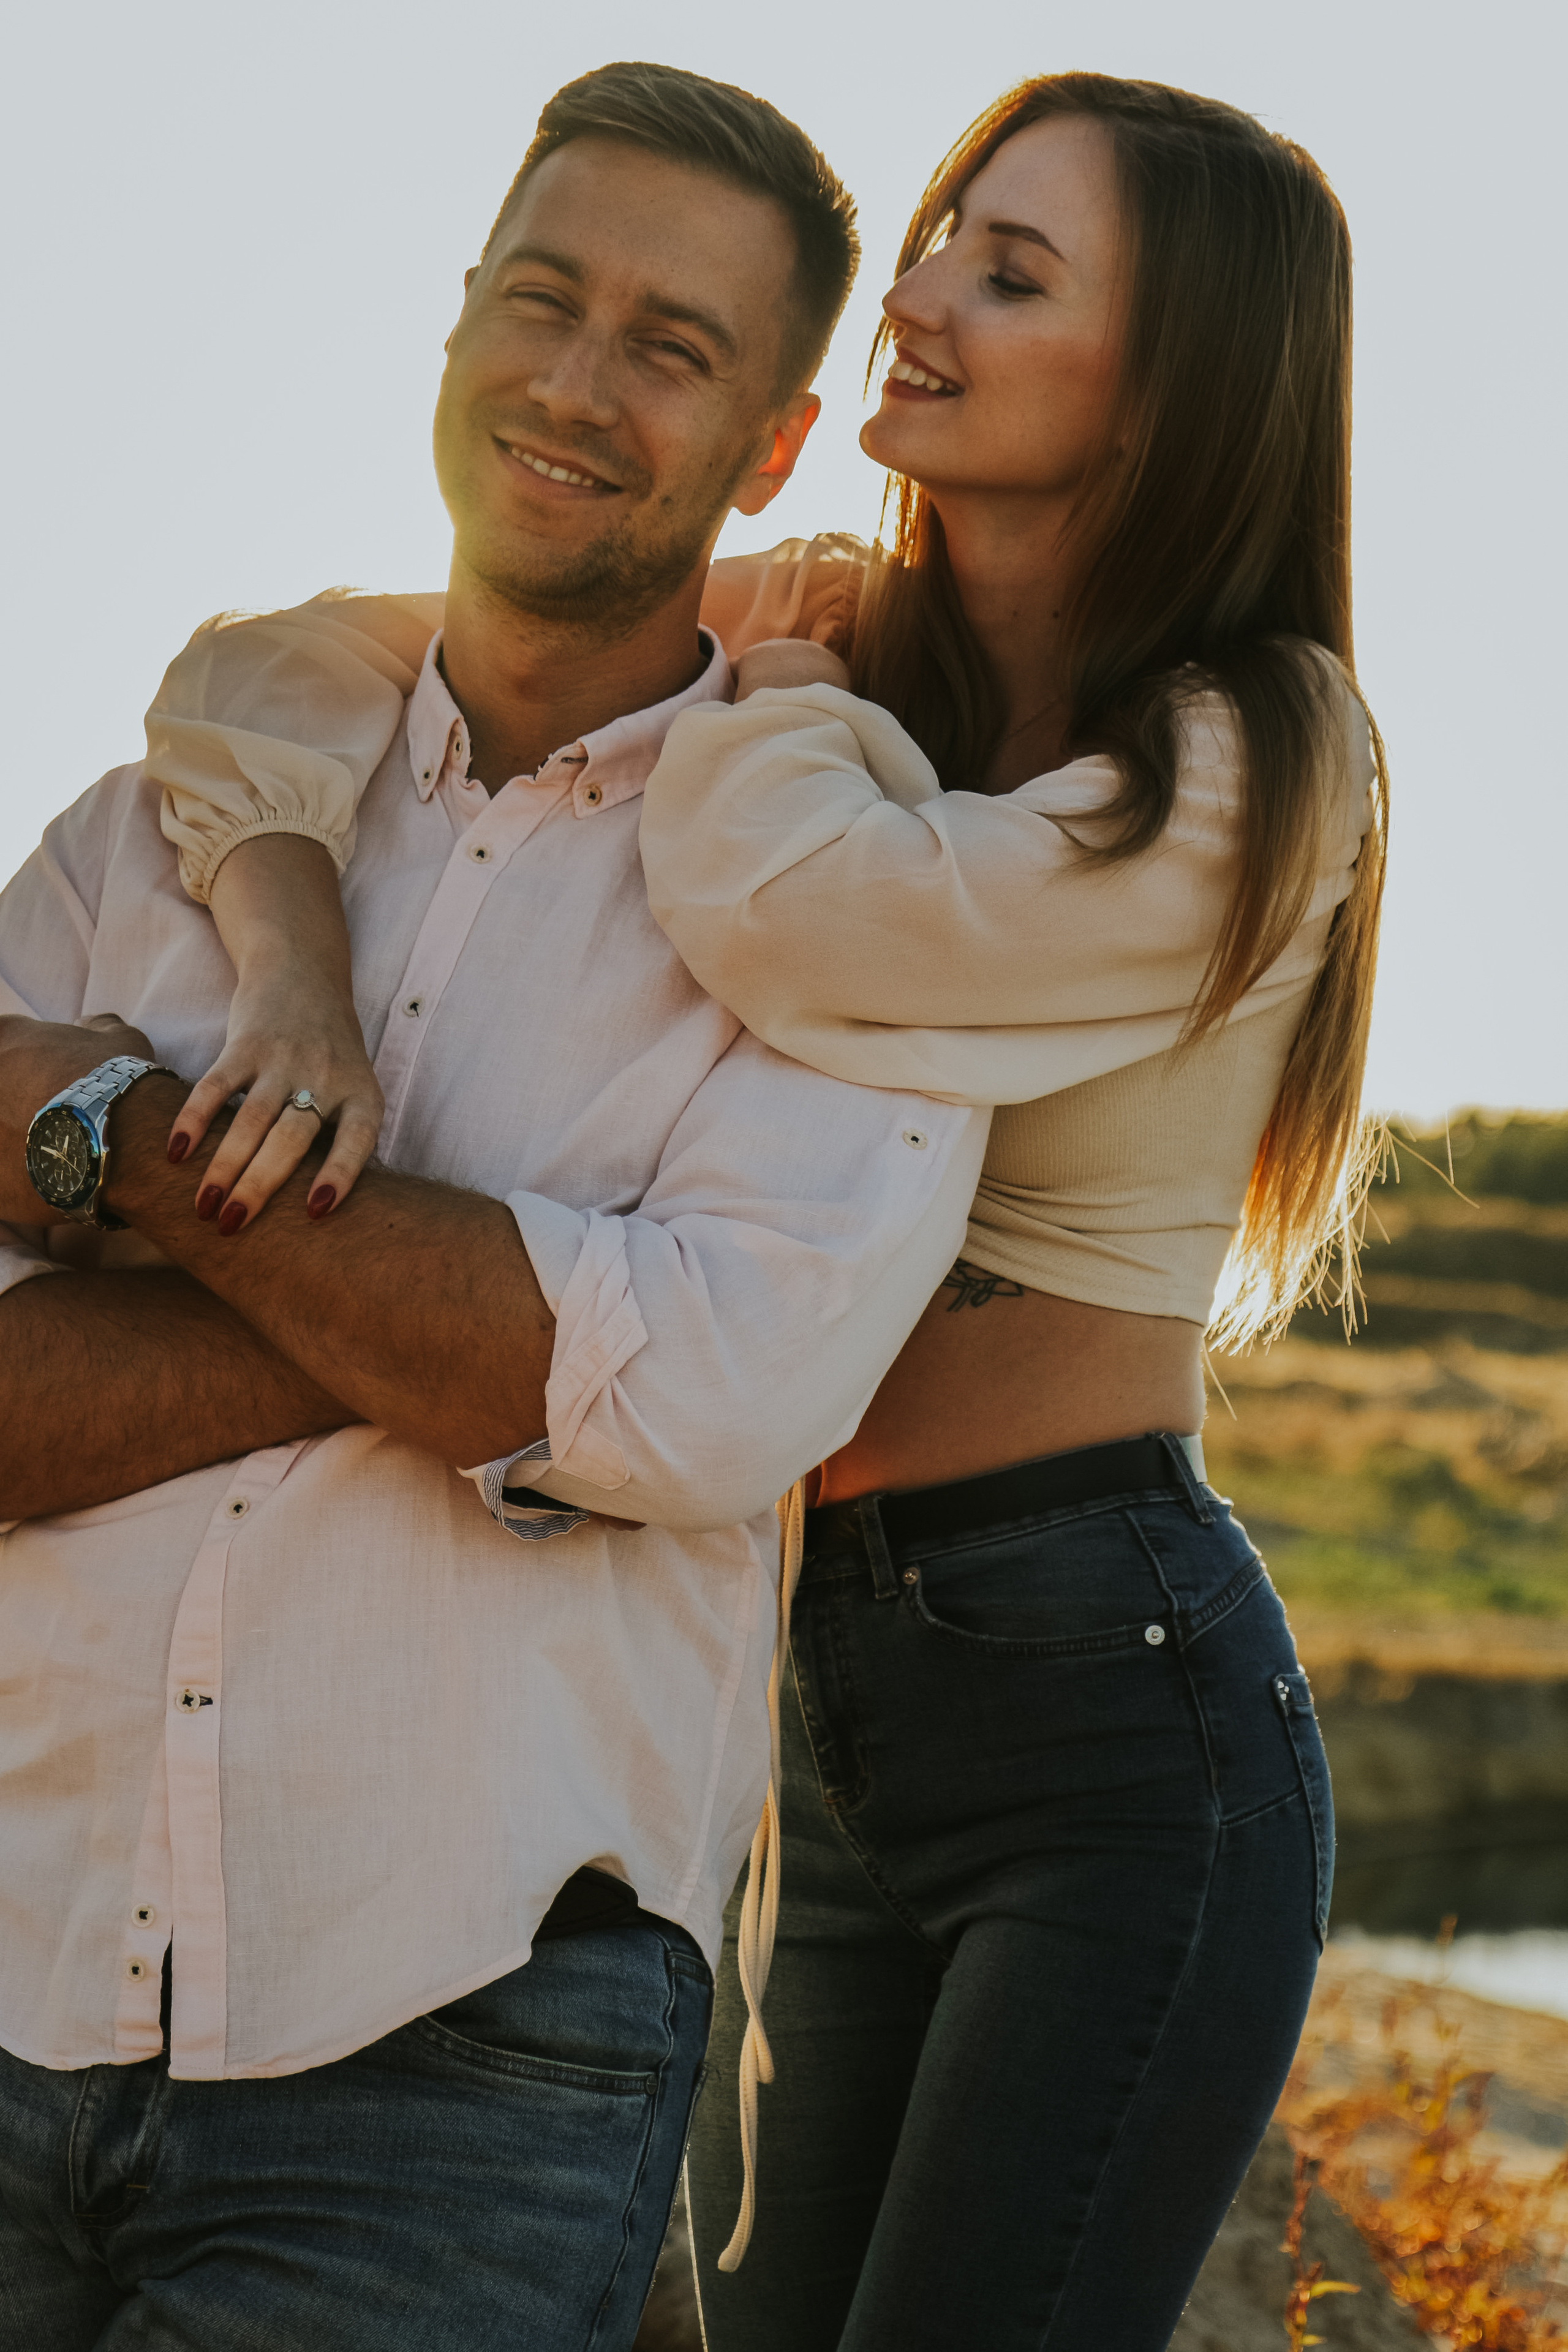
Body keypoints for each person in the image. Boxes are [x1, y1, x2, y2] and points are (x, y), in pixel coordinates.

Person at [93, 70, 1387, 2352]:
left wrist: (776, 675)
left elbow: (787, 906)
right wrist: (291, 938)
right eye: (937, 241)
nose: (922, 300)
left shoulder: (1258, 751)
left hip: (1106, 1692)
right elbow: (272, 669)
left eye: (1013, 271)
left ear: (1173, 376)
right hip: (817, 1678)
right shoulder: (882, 660)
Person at [0, 64, 993, 2352]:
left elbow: (706, 1419)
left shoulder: (849, 894)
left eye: (671, 345)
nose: (574, 382)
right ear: (451, 324)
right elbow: (604, 1380)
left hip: (459, 2054)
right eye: (541, 302)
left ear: (773, 445)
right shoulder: (146, 821)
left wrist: (127, 1149)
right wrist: (512, 1306)